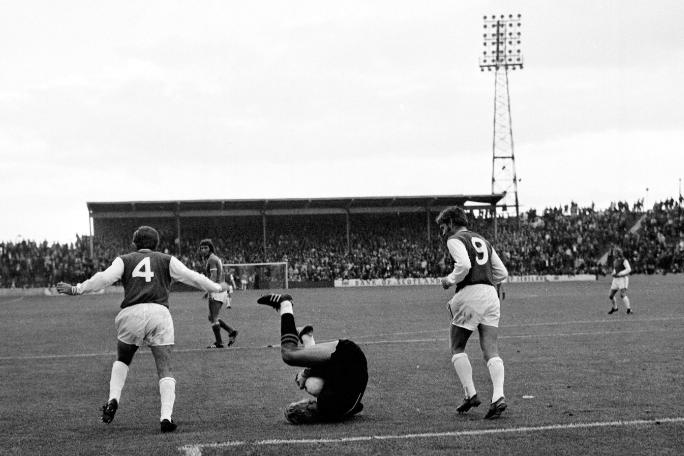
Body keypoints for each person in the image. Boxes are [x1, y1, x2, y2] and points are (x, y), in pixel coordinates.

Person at [56, 226, 228, 433]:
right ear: (155, 244)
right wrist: (218, 288)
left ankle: (113, 399)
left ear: (135, 243)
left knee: (123, 359)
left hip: (131, 314)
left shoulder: (124, 259)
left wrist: (77, 289)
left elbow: (103, 278)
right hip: (159, 314)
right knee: (165, 368)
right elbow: (193, 277)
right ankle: (166, 417)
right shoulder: (166, 259)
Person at [436, 206, 509, 419]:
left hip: (471, 294)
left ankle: (471, 394)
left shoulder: (455, 239)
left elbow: (465, 265)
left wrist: (449, 280)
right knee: (491, 350)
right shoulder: (483, 240)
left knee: (457, 346)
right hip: (491, 295)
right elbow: (502, 273)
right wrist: (485, 282)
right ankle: (498, 397)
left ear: (450, 223)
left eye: (443, 227)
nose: (442, 233)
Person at [256, 292, 367, 424]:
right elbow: (332, 368)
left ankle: (306, 336)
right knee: (289, 355)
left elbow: (358, 407)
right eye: (302, 403)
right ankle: (285, 304)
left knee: (313, 385)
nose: (307, 400)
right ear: (306, 409)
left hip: (355, 369)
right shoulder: (326, 404)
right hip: (348, 357)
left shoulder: (334, 413)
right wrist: (306, 373)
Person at [199, 239, 238, 348]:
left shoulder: (211, 259)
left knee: (214, 318)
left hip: (217, 289)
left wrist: (208, 290)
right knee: (211, 317)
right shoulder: (213, 258)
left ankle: (219, 342)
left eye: (205, 248)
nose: (203, 250)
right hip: (220, 289)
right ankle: (231, 331)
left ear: (210, 248)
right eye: (201, 248)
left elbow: (214, 276)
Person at [608, 247, 633, 314]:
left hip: (622, 279)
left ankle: (629, 309)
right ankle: (615, 308)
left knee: (622, 294)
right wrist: (613, 273)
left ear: (618, 253)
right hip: (616, 280)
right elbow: (616, 269)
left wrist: (621, 274)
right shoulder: (615, 260)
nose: (613, 253)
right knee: (611, 295)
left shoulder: (624, 260)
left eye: (614, 252)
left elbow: (629, 269)